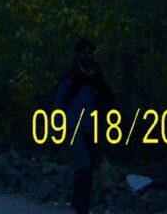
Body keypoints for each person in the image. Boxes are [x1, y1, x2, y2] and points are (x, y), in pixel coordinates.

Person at [54, 38, 115, 214]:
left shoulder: (97, 78)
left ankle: (81, 205)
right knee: (85, 166)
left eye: (89, 52)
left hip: (92, 128)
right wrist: (56, 130)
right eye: (83, 52)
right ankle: (80, 209)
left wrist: (106, 128)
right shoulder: (70, 78)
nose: (86, 55)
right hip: (73, 128)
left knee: (89, 169)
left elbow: (104, 104)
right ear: (77, 54)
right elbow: (58, 104)